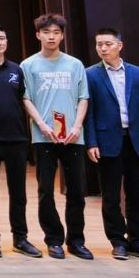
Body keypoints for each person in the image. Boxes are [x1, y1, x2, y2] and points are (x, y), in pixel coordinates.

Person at [85, 28, 139, 261]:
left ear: (120, 45)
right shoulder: (90, 75)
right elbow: (89, 113)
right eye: (99, 44)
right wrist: (91, 142)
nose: (103, 48)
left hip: (136, 140)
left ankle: (137, 241)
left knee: (136, 194)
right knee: (110, 196)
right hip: (107, 141)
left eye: (108, 44)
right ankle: (118, 241)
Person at [21, 13, 92, 260]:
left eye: (56, 32)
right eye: (46, 32)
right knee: (45, 191)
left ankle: (76, 241)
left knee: (76, 191)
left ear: (62, 36)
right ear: (38, 35)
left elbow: (83, 97)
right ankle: (53, 240)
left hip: (73, 136)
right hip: (44, 137)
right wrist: (41, 124)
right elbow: (26, 98)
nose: (51, 37)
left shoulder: (74, 64)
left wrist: (77, 126)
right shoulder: (28, 65)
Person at [0, 24, 42, 258]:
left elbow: (25, 99)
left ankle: (20, 238)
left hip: (17, 138)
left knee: (19, 193)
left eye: (2, 38)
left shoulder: (17, 69)